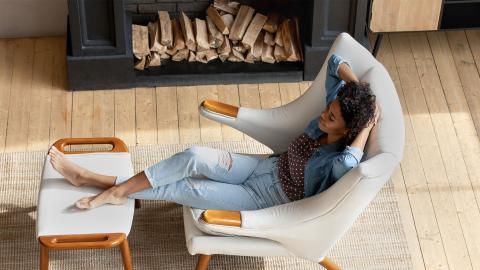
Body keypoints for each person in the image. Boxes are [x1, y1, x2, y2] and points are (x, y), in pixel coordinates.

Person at [48, 54, 378, 211]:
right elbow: (336, 62)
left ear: (348, 128)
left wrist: (364, 124)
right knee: (192, 155)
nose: (323, 115)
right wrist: (357, 92)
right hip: (264, 168)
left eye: (331, 117)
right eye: (328, 110)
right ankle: (109, 188)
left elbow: (351, 160)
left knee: (183, 187)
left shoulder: (337, 161)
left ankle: (98, 182)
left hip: (265, 198)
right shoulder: (333, 116)